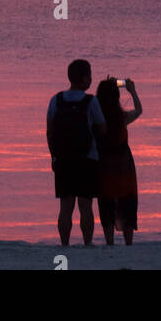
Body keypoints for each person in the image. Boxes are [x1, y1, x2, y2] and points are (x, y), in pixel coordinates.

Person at [46, 58, 106, 246]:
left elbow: (49, 131)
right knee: (86, 205)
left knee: (65, 207)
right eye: (89, 75)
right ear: (84, 78)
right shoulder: (91, 101)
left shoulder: (56, 100)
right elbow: (102, 129)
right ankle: (87, 243)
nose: (91, 79)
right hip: (87, 159)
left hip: (63, 159)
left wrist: (53, 156)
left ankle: (65, 244)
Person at [95, 77, 142, 245]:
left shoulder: (97, 119)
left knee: (106, 200)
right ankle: (128, 242)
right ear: (116, 97)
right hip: (123, 165)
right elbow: (138, 111)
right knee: (127, 200)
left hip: (104, 165)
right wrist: (132, 91)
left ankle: (109, 242)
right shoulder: (121, 117)